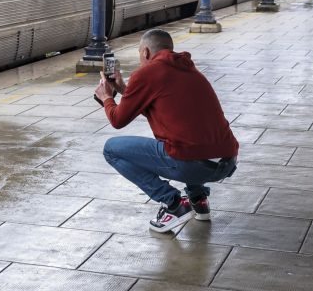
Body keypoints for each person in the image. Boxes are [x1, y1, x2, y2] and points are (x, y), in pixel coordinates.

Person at [94, 28, 239, 233]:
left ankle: (174, 204)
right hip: (227, 161)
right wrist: (124, 90)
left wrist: (106, 98)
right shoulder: (188, 70)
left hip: (194, 165)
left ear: (145, 52)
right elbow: (165, 111)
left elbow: (117, 120)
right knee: (189, 133)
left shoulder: (147, 72)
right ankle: (199, 200)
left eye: (139, 55)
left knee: (111, 149)